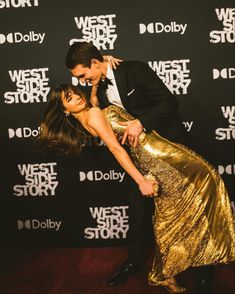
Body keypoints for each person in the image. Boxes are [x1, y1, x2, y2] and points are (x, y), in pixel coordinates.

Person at [37, 84, 235, 293]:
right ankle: (180, 264)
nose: (77, 97)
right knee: (204, 182)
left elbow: (94, 105)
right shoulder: (93, 114)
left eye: (76, 92)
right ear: (65, 109)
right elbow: (115, 148)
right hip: (156, 153)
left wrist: (95, 86)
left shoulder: (86, 117)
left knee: (173, 209)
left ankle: (170, 270)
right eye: (69, 98)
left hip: (149, 155)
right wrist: (141, 181)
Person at [64, 41, 192, 289]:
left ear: (94, 63)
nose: (81, 80)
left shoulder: (135, 70)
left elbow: (168, 103)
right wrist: (96, 77)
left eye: (83, 74)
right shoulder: (96, 87)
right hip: (139, 157)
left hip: (170, 150)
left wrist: (140, 122)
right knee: (138, 207)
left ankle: (201, 268)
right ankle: (133, 262)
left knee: (184, 208)